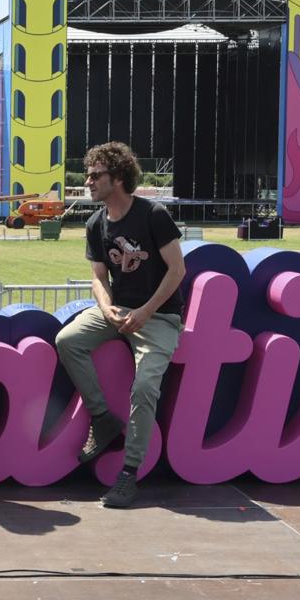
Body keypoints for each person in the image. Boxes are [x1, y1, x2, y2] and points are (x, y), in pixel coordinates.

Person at [55, 141, 185, 509]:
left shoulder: (153, 214)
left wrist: (145, 311)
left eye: (97, 176)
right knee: (68, 339)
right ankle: (102, 418)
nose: (88, 182)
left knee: (144, 387)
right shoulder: (96, 223)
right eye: (88, 175)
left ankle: (128, 473)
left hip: (159, 316)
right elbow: (98, 277)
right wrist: (108, 308)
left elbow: (178, 270)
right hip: (119, 311)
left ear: (119, 177)